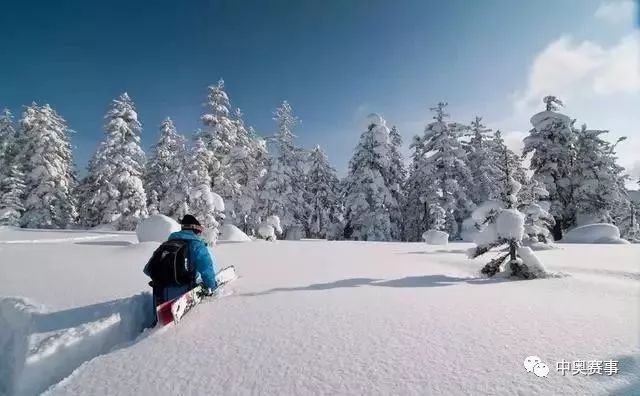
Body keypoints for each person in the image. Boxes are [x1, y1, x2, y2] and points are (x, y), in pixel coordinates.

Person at [144, 214, 218, 307]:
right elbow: (206, 268)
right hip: (182, 293)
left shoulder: (167, 244)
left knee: (160, 319)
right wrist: (212, 287)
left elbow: (148, 269)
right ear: (195, 229)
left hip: (159, 293)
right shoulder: (196, 245)